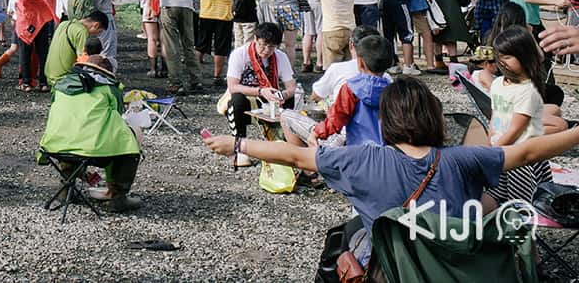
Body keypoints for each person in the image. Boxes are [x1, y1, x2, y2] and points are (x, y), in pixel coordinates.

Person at [203, 76, 579, 268]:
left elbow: (296, 157)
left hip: (395, 268)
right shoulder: (467, 159)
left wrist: (237, 145)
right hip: (458, 263)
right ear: (434, 118)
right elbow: (528, 150)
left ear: (387, 121)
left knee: (347, 236)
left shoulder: (361, 160)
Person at [36, 49, 142, 212]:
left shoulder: (60, 86)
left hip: (53, 146)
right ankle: (118, 197)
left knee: (70, 133)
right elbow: (119, 116)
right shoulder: (109, 88)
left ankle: (65, 191)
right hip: (92, 151)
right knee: (129, 144)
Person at [281, 34, 392, 162]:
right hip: (385, 152)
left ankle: (309, 172)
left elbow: (336, 118)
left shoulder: (351, 88)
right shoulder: (393, 89)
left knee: (288, 117)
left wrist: (317, 133)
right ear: (390, 63)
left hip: (356, 150)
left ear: (360, 62)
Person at [484, 26, 552, 206]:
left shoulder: (527, 91)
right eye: (499, 57)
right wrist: (490, 140)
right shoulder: (498, 83)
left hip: (522, 155)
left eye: (507, 57)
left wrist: (493, 152)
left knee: (521, 202)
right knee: (495, 192)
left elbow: (516, 129)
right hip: (501, 150)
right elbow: (494, 115)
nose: (501, 62)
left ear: (524, 57)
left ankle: (523, 231)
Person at [224, 22, 296, 166]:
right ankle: (240, 148)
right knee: (236, 100)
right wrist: (260, 90)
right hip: (247, 95)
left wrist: (283, 95)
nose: (266, 50)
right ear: (255, 39)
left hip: (269, 97)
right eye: (263, 45)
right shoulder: (240, 54)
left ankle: (282, 142)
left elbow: (291, 87)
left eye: (272, 47)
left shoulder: (280, 57)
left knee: (291, 100)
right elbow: (232, 86)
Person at [193, 0, 244, 86]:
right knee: (221, 47)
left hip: (206, 12)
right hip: (224, 14)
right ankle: (217, 76)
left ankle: (195, 74)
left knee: (201, 45)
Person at [44, 11, 110, 87]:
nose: (97, 35)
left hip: (49, 74)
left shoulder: (63, 24)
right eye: (99, 32)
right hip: (62, 79)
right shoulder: (82, 32)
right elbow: (83, 60)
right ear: (96, 25)